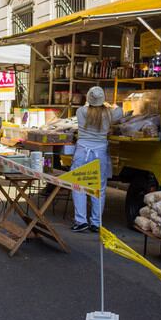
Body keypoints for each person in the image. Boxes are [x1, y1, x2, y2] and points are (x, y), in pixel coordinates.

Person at [71, 86, 123, 233]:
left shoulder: (80, 111)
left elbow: (87, 107)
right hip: (100, 153)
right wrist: (110, 104)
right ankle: (96, 222)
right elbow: (121, 110)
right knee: (99, 189)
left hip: (82, 152)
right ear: (102, 100)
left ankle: (81, 221)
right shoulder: (109, 114)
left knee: (78, 186)